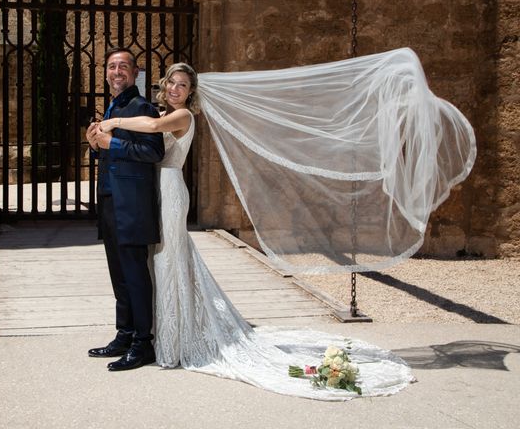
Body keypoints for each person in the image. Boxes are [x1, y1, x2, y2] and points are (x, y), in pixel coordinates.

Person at [97, 61, 414, 399]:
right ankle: (161, 329)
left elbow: (152, 126)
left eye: (183, 86)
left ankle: (169, 334)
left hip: (171, 191)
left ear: (192, 94)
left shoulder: (183, 117)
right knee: (161, 263)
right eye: (172, 83)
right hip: (156, 191)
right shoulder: (164, 111)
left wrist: (112, 123)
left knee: (169, 260)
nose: (176, 89)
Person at [85, 47, 164, 371]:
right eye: (111, 66)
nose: (116, 71)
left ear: (135, 73)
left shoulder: (142, 106)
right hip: (109, 200)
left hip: (131, 203)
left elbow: (153, 151)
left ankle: (143, 343)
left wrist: (111, 143)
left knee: (134, 273)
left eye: (123, 67)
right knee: (119, 274)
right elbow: (109, 152)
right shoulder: (114, 107)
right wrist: (95, 145)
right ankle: (125, 333)